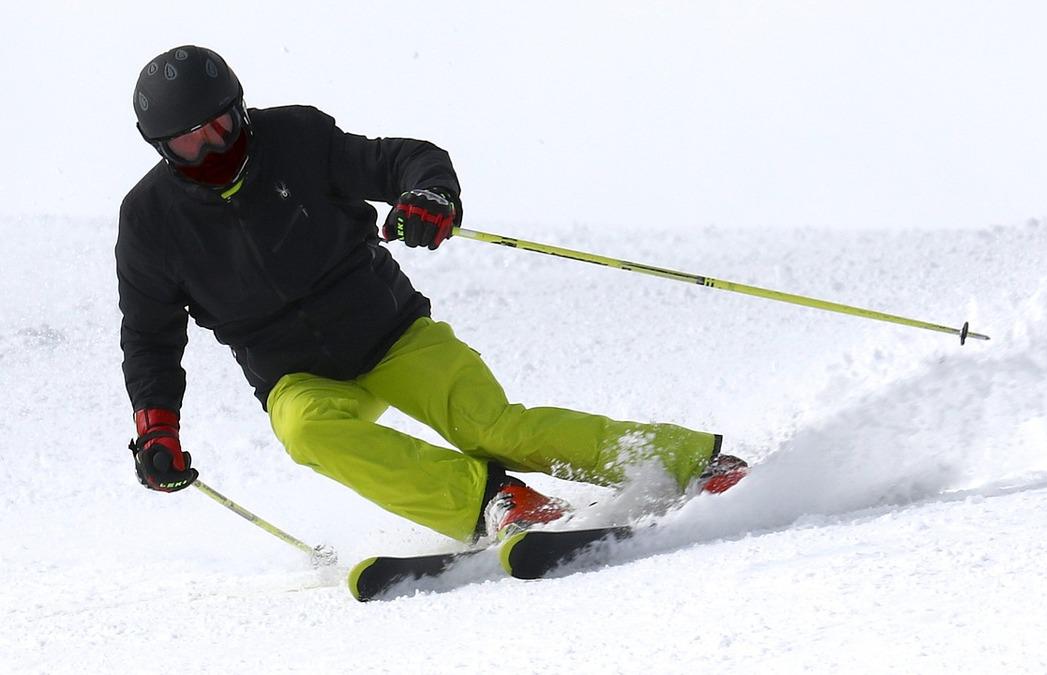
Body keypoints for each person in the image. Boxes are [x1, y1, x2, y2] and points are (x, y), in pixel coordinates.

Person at [118, 45, 747, 544]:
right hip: (295, 374)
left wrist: (429, 196)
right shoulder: (149, 221)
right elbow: (150, 335)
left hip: (390, 334)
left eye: (220, 125)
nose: (212, 146)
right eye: (188, 140)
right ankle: (496, 503)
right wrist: (157, 428)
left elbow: (406, 159)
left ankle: (688, 462)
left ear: (240, 108)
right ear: (161, 147)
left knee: (496, 429)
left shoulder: (297, 140)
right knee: (306, 431)